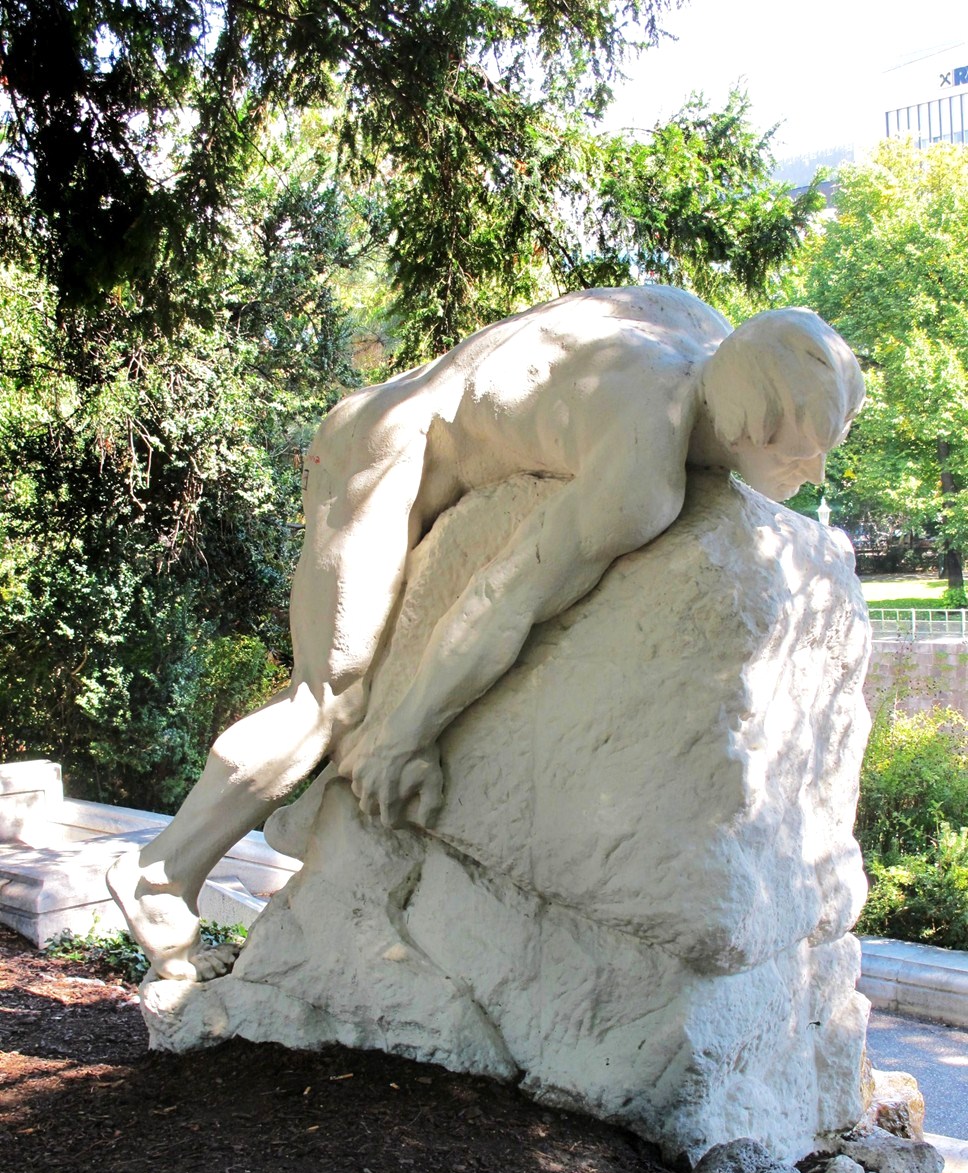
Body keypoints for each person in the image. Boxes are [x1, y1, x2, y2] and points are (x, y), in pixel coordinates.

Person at [107, 284, 865, 980]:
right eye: (801, 450)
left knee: (338, 707)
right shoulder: (642, 475)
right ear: (747, 424)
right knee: (329, 702)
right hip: (386, 450)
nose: (819, 472)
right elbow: (507, 593)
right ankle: (160, 878)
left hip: (411, 417)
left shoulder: (690, 318)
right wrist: (406, 731)